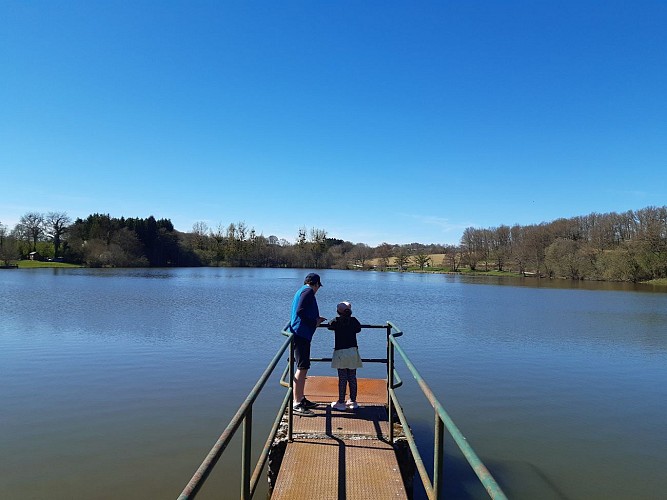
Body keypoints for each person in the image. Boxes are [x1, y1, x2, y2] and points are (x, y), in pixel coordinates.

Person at [288, 272, 326, 417]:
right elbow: (300, 311)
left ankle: (301, 398)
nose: (317, 290)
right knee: (302, 367)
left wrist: (316, 318)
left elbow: (302, 310)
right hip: (301, 334)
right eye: (318, 287)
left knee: (304, 366)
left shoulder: (302, 290)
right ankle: (297, 403)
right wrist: (313, 322)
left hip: (300, 333)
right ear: (315, 284)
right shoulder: (308, 291)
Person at [327, 301, 363, 410]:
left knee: (342, 378)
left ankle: (341, 402)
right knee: (352, 377)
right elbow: (358, 329)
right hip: (352, 351)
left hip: (340, 353)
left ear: (338, 312)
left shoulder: (336, 321)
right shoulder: (354, 321)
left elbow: (329, 325)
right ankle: (353, 401)